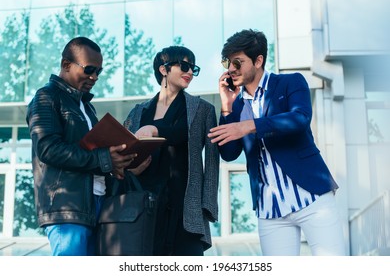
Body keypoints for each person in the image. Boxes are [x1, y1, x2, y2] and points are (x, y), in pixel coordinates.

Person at [208, 29, 346, 256]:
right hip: (270, 210)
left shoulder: (290, 83)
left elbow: (300, 119)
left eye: (237, 62)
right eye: (227, 62)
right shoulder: (237, 105)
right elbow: (229, 153)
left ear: (258, 60)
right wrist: (227, 106)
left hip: (311, 198)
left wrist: (249, 125)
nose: (231, 69)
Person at [26, 37, 135, 256]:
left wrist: (117, 162)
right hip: (67, 209)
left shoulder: (88, 108)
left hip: (99, 205)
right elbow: (48, 149)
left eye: (99, 71)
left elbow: (92, 153)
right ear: (66, 65)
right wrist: (103, 158)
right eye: (89, 69)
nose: (94, 77)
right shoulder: (46, 97)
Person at [124, 46, 219, 255]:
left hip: (186, 210)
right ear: (163, 69)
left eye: (193, 68)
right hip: (144, 209)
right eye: (184, 66)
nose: (189, 72)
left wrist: (208, 206)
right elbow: (122, 156)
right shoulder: (138, 112)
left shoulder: (203, 110)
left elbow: (212, 161)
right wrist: (129, 171)